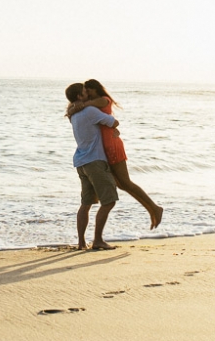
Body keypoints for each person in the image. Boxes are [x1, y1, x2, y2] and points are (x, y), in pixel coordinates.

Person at [67, 79, 163, 230]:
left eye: (88, 90)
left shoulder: (102, 101)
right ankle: (152, 209)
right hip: (103, 149)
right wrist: (74, 108)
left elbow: (104, 116)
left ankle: (154, 208)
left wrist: (76, 107)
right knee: (122, 184)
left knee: (125, 182)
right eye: (85, 91)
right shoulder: (88, 107)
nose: (87, 93)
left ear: (95, 90)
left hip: (111, 145)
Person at [65, 82, 119, 250]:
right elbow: (114, 122)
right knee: (109, 201)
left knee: (86, 203)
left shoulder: (74, 114)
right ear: (80, 97)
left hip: (81, 162)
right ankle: (98, 240)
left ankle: (81, 242)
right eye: (84, 92)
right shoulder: (89, 111)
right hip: (95, 161)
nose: (87, 93)